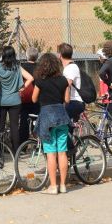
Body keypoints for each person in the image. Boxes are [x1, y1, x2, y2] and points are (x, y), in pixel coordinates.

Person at [32, 52, 72, 195]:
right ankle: (63, 185)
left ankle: (53, 186)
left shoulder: (40, 80)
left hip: (47, 118)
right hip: (61, 116)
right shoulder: (63, 80)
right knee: (62, 152)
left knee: (50, 153)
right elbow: (67, 100)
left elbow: (34, 99)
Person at [0, 46, 34, 152]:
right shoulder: (17, 67)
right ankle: (16, 152)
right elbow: (30, 78)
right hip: (15, 101)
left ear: (3, 55)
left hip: (0, 101)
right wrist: (22, 88)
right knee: (14, 127)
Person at [59, 43, 84, 123]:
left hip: (74, 101)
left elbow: (66, 85)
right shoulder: (70, 67)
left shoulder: (70, 68)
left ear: (60, 55)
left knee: (61, 123)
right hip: (73, 101)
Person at [19, 48, 40, 143]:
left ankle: (23, 144)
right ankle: (37, 142)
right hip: (37, 98)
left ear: (26, 56)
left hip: (24, 98)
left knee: (24, 120)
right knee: (36, 119)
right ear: (37, 56)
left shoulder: (22, 67)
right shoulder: (41, 67)